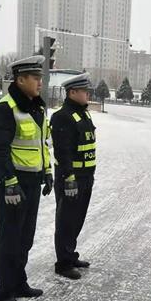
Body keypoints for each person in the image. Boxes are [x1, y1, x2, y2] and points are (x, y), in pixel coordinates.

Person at [0, 55, 53, 301]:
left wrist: (47, 171)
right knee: (9, 237)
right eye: (35, 78)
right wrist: (9, 183)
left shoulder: (37, 107)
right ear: (20, 79)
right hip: (13, 184)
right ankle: (4, 291)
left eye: (40, 78)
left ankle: (19, 282)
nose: (40, 82)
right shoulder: (5, 108)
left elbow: (43, 144)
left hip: (33, 181)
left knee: (25, 236)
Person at [50, 73, 96, 280]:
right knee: (66, 220)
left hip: (86, 176)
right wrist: (69, 177)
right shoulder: (62, 116)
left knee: (77, 219)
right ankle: (63, 263)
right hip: (71, 178)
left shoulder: (83, 114)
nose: (88, 94)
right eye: (84, 91)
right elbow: (62, 151)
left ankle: (71, 254)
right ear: (72, 92)